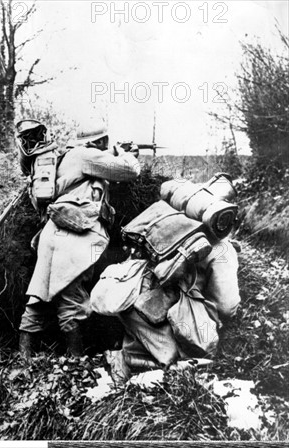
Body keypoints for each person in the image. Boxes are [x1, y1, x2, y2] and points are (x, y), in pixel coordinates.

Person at [17, 121, 141, 357]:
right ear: (101, 141)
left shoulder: (67, 157)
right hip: (76, 237)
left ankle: (23, 360)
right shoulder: (86, 155)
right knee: (72, 300)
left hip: (53, 234)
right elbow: (130, 171)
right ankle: (76, 362)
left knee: (38, 297)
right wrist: (126, 153)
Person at [115, 240, 240, 380]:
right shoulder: (222, 248)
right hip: (177, 320)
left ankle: (131, 357)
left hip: (133, 302)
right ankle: (165, 365)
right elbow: (226, 306)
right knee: (198, 351)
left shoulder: (167, 224)